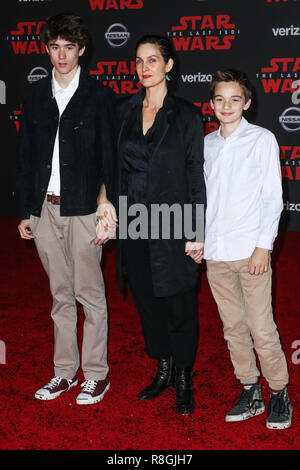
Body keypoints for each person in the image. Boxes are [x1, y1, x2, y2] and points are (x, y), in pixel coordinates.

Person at [96, 35, 206, 416]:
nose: (145, 67)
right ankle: (163, 366)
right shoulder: (123, 111)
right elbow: (112, 164)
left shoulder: (188, 115)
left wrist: (197, 230)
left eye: (153, 60)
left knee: (179, 302)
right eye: (139, 60)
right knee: (146, 301)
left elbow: (195, 173)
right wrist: (104, 199)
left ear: (169, 65)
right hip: (134, 223)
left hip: (174, 224)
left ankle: (183, 377)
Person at [16, 14, 116, 405]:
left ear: (82, 50)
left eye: (69, 47)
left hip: (83, 208)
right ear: (47, 49)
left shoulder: (100, 97)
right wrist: (27, 209)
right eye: (55, 47)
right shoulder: (35, 95)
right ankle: (64, 372)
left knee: (89, 294)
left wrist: (106, 205)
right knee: (60, 295)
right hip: (44, 208)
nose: (61, 55)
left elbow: (109, 158)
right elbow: (25, 157)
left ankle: (96, 375)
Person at [204, 69, 292, 429]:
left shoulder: (262, 140)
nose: (227, 106)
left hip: (250, 250)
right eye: (220, 99)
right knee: (233, 327)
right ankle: (250, 389)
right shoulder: (206, 143)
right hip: (216, 253)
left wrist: (262, 247)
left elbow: (273, 199)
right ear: (211, 104)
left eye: (235, 99)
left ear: (248, 103)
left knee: (261, 326)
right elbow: (203, 198)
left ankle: (279, 392)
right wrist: (200, 241)